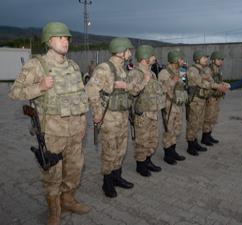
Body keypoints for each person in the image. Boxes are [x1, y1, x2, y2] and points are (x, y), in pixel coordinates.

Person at [9, 22, 90, 225]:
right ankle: (54, 210)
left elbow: (80, 98)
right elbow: (15, 92)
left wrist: (83, 124)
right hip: (52, 132)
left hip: (74, 132)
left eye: (67, 38)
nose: (66, 41)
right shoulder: (37, 65)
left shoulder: (73, 66)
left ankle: (68, 199)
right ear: (49, 40)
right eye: (61, 37)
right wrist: (40, 86)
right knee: (52, 174)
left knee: (74, 169)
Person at [85, 37, 134, 198]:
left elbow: (128, 90)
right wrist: (97, 113)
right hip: (109, 117)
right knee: (109, 151)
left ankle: (117, 177)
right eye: (128, 50)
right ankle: (107, 182)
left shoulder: (122, 69)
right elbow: (91, 90)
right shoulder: (105, 68)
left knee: (121, 149)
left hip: (122, 115)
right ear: (121, 52)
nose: (130, 53)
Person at [116, 45, 165, 177]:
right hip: (142, 114)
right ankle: (141, 165)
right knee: (141, 141)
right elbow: (132, 91)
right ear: (145, 58)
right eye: (152, 56)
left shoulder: (152, 73)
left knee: (153, 140)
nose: (154, 58)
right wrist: (145, 80)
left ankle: (148, 161)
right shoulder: (135, 73)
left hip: (153, 113)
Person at [185, 50, 227, 156]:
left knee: (199, 122)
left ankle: (195, 143)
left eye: (206, 58)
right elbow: (201, 82)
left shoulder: (202, 70)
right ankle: (190, 146)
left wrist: (220, 85)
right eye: (204, 58)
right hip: (195, 100)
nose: (206, 60)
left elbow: (210, 80)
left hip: (202, 99)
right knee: (193, 123)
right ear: (197, 59)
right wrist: (217, 86)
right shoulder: (192, 70)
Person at [158, 49, 188, 165]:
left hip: (178, 105)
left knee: (176, 129)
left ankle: (173, 151)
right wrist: (173, 81)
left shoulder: (179, 71)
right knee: (168, 130)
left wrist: (182, 79)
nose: (182, 61)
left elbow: (182, 85)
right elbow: (161, 89)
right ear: (174, 59)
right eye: (180, 59)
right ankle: (167, 154)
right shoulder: (164, 73)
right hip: (169, 106)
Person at [201, 51, 225, 145]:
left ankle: (209, 135)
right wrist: (218, 86)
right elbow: (208, 83)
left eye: (222, 60)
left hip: (217, 97)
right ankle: (205, 137)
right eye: (219, 59)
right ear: (213, 60)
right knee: (208, 117)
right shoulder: (208, 70)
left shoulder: (218, 69)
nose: (221, 61)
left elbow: (219, 81)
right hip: (210, 97)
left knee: (213, 117)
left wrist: (223, 85)